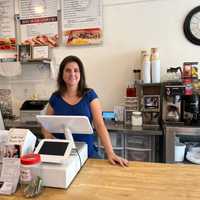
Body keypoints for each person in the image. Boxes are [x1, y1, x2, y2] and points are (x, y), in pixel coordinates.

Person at [42, 55, 128, 167]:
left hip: (87, 154)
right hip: (61, 156)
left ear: (80, 74)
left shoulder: (89, 95)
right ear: (62, 74)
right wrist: (48, 136)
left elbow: (99, 125)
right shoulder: (55, 97)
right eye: (67, 70)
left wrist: (110, 153)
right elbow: (45, 124)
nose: (72, 74)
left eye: (76, 70)